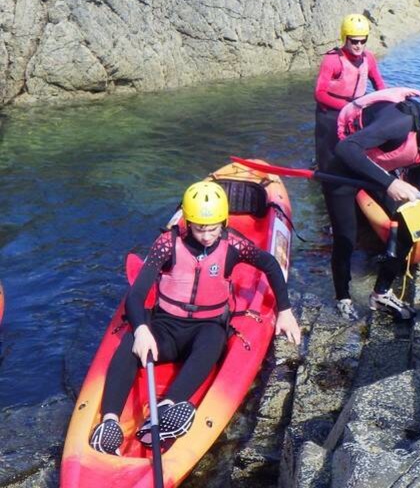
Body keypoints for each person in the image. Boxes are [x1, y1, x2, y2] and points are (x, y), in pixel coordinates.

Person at [89, 181, 301, 455]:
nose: (207, 236)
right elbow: (136, 295)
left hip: (206, 328)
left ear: (223, 221)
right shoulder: (167, 244)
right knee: (130, 341)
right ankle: (109, 423)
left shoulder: (234, 243)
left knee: (214, 340)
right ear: (188, 222)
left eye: (213, 228)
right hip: (165, 327)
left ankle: (168, 407)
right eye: (200, 228)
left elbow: (270, 264)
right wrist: (142, 330)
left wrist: (284, 310)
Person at [325, 86, 420, 321]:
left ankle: (381, 294)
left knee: (412, 225)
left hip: (376, 170)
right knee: (346, 237)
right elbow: (345, 148)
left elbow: (414, 163)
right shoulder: (398, 123)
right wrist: (389, 183)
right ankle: (342, 298)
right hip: (343, 169)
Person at [314, 13, 387, 172]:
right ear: (345, 38)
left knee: (352, 151)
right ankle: (322, 170)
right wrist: (348, 106)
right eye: (354, 41)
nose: (359, 45)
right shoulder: (332, 60)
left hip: (354, 113)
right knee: (328, 157)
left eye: (363, 40)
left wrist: (391, 103)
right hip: (330, 114)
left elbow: (380, 85)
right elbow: (319, 94)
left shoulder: (368, 58)